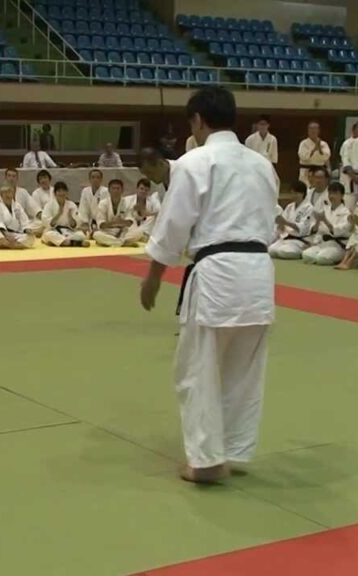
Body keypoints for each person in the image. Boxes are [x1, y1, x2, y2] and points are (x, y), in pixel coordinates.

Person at [139, 87, 276, 484]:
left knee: (197, 368)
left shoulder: (193, 162)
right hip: (259, 272)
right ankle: (232, 450)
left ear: (198, 120)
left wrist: (152, 278)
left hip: (218, 272)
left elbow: (174, 226)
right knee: (243, 370)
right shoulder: (262, 165)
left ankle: (205, 460)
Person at [302, 182, 351, 266]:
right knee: (306, 255)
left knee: (322, 258)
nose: (332, 196)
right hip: (324, 244)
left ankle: (338, 257)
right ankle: (320, 254)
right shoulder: (325, 210)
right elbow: (319, 231)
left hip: (338, 246)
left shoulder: (346, 213)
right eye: (330, 193)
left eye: (335, 193)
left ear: (342, 195)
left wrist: (324, 220)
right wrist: (318, 222)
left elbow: (340, 231)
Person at [268, 181, 315, 260]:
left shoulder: (309, 208)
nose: (294, 196)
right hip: (286, 238)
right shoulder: (290, 206)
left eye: (296, 193)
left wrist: (285, 222)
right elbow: (282, 223)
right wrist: (281, 224)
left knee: (284, 252)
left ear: (303, 194)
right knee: (271, 250)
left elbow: (303, 229)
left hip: (300, 240)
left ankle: (303, 250)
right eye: (292, 193)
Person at [92, 179, 143, 247]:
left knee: (139, 232)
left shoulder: (127, 203)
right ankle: (122, 243)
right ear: (109, 190)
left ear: (122, 190)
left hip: (123, 232)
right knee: (96, 235)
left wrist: (118, 223)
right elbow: (101, 225)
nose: (115, 191)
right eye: (113, 188)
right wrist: (115, 223)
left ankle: (113, 242)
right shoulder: (103, 203)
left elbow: (129, 222)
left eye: (118, 188)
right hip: (108, 232)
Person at [41, 181, 89, 247]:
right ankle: (75, 243)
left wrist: (70, 217)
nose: (61, 193)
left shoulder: (72, 205)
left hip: (68, 231)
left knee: (81, 235)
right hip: (54, 231)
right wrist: (58, 214)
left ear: (67, 193)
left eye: (63, 191)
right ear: (55, 193)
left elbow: (76, 224)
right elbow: (46, 222)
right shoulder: (49, 205)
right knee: (49, 235)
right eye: (59, 191)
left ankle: (61, 242)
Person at [0, 184, 35, 249]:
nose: (8, 195)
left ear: (12, 194)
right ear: (1, 195)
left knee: (30, 237)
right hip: (3, 234)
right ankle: (13, 245)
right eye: (5, 193)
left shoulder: (17, 206)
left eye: (9, 192)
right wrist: (6, 235)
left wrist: (27, 230)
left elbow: (24, 220)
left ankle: (10, 245)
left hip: (15, 234)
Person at [297, 121, 330, 185]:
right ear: (308, 130)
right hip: (306, 172)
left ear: (318, 130)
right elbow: (303, 157)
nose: (313, 131)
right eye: (311, 128)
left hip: (319, 171)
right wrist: (314, 150)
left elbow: (326, 157)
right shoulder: (303, 143)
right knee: (306, 189)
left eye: (315, 128)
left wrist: (320, 149)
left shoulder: (323, 144)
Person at [77, 168, 109, 234]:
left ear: (101, 179)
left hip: (102, 223)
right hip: (89, 222)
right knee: (80, 234)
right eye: (93, 177)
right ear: (89, 179)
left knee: (99, 234)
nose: (95, 179)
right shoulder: (85, 191)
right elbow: (83, 208)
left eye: (98, 177)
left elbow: (106, 210)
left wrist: (100, 224)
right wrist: (85, 222)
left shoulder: (106, 191)